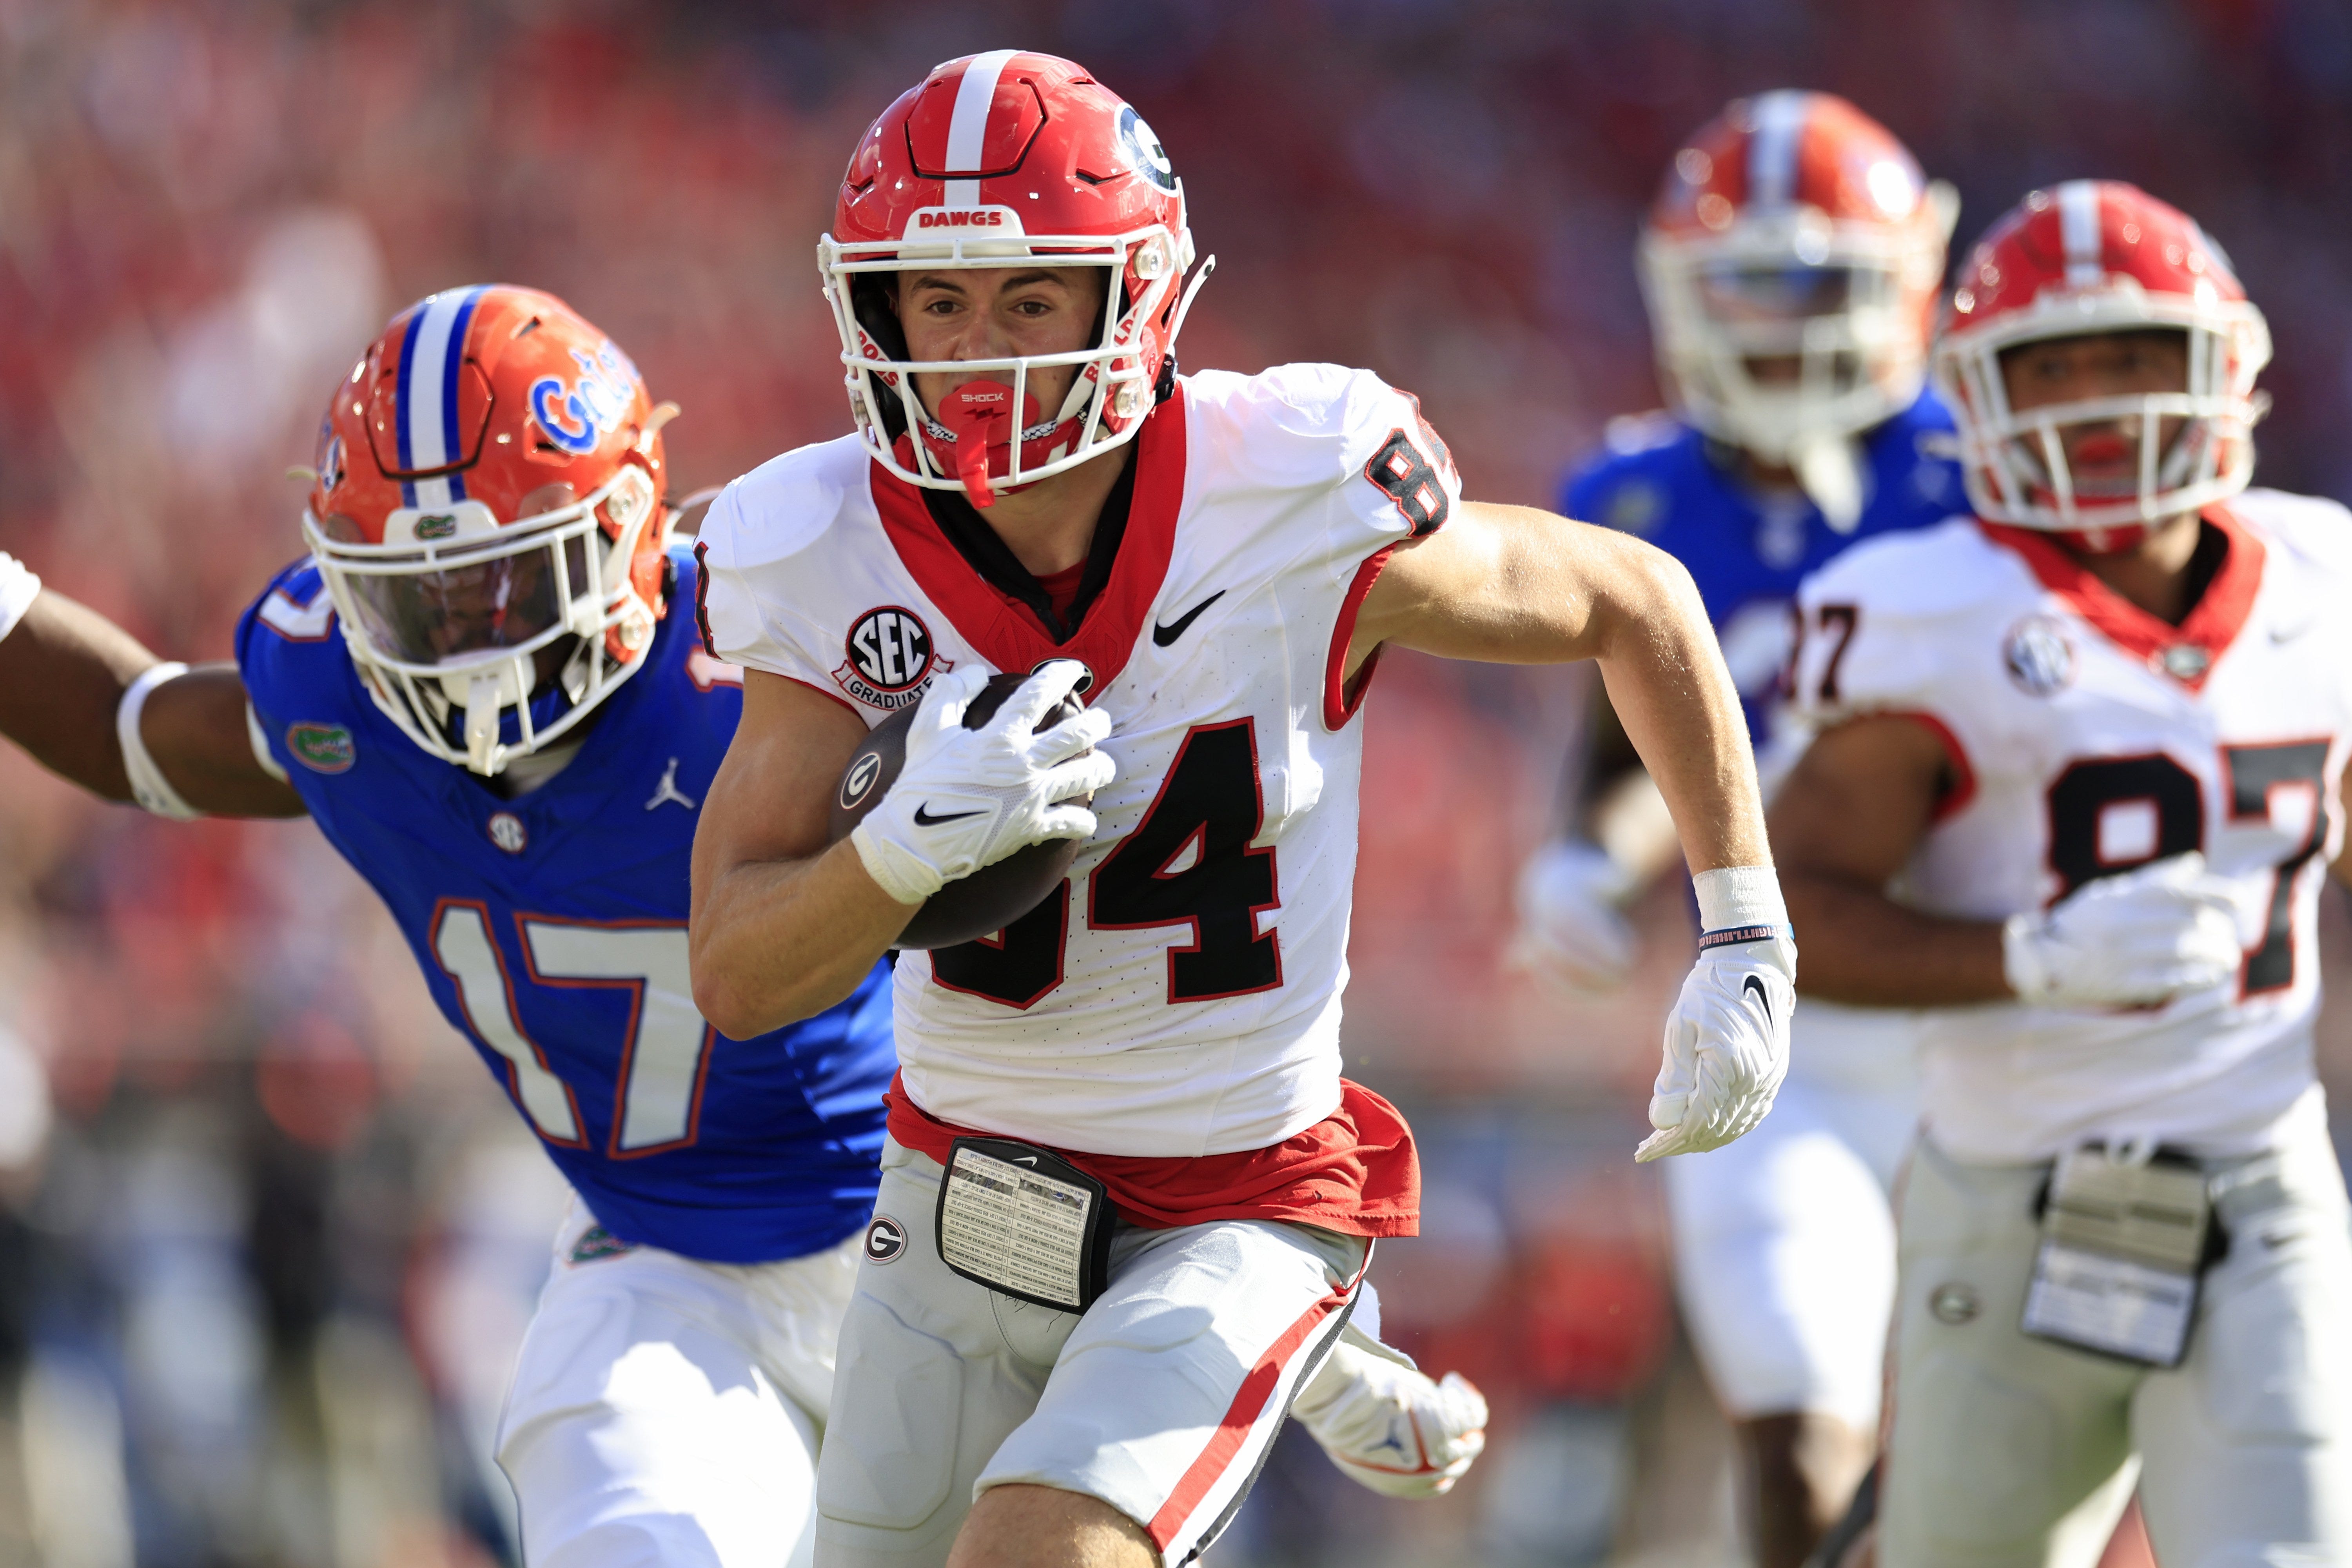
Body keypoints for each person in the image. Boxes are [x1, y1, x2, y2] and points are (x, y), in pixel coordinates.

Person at [0, 286, 1479, 1568]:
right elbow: (131, 729)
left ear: (637, 533)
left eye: (507, 581)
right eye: (420, 600)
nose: (467, 646)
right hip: (670, 1270)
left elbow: (1100, 956)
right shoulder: (342, 704)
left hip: (959, 1239)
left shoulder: (774, 659)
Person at [687, 50, 1795, 1568]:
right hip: (961, 1186)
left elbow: (1636, 597)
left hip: (1239, 1191)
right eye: (936, 300)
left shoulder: (1285, 488)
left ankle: (1299, 1320)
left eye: (1029, 300)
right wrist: (890, 857)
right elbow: (740, 972)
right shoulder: (816, 548)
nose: (974, 351)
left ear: (1130, 299)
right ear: (871, 307)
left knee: (1044, 1554)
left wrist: (1743, 931)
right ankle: (1313, 1363)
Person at [1775, 180, 2352, 1565]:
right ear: (1976, 391)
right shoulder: (1925, 610)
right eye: (2052, 364)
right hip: (2008, 1200)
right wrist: (2022, 959)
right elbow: (1777, 918)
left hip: (2262, 1179)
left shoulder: (2328, 578)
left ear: (2223, 367)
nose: (2096, 398)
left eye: (2135, 353)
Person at [1512, 91, 1959, 1564]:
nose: (1772, 324)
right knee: (1794, 1415)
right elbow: (1622, 755)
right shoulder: (1638, 491)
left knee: (2011, 1439)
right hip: (1796, 1040)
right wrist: (1586, 857)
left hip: (1990, 1006)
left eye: (1811, 282)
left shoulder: (1983, 477)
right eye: (1740, 285)